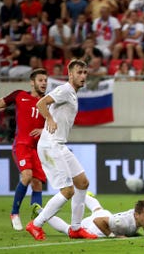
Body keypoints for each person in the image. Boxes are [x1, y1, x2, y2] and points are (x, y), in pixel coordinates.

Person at [26, 59, 96, 241]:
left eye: (85, 73)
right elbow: (41, 103)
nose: (82, 76)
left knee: (82, 183)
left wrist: (50, 121)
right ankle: (36, 224)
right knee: (68, 190)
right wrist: (48, 118)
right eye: (79, 72)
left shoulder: (72, 93)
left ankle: (75, 228)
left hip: (59, 144)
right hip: (51, 146)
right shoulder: (65, 90)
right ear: (70, 74)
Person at [0, 68, 48, 231]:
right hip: (21, 144)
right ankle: (14, 213)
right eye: (40, 80)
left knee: (37, 184)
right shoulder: (19, 95)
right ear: (32, 82)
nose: (44, 83)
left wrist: (44, 130)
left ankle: (36, 224)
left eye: (45, 80)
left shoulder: (48, 102)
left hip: (37, 149)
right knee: (27, 175)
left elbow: (56, 124)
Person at [35, 195, 144, 238]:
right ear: (137, 214)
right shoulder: (122, 223)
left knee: (97, 209)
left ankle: (79, 192)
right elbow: (98, 221)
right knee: (69, 230)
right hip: (96, 227)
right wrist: (113, 236)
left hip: (107, 215)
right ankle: (41, 212)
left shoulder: (139, 214)